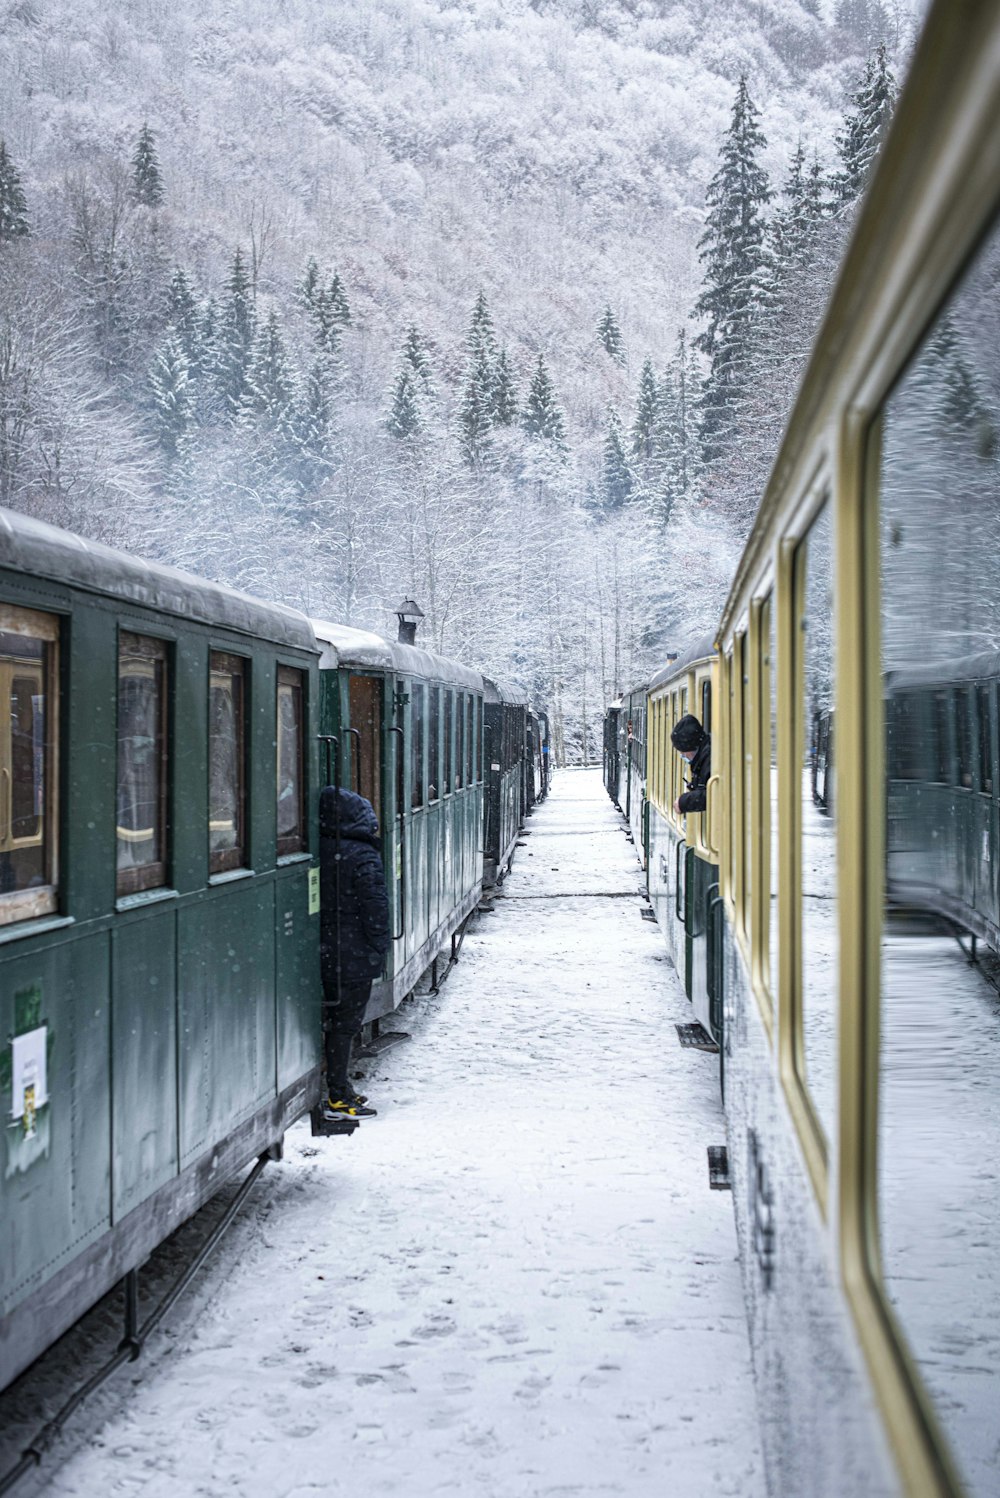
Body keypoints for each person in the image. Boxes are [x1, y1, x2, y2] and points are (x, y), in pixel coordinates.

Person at [319, 786, 391, 1121]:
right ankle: (338, 1094)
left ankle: (339, 1087)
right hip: (354, 952)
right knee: (346, 1024)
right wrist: (380, 946)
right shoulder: (363, 855)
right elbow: (374, 907)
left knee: (335, 1022)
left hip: (325, 949)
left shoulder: (321, 847)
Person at [671, 713, 711, 815]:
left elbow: (711, 794)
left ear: (690, 748)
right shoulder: (704, 756)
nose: (682, 755)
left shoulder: (708, 759)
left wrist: (683, 802)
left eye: (683, 752)